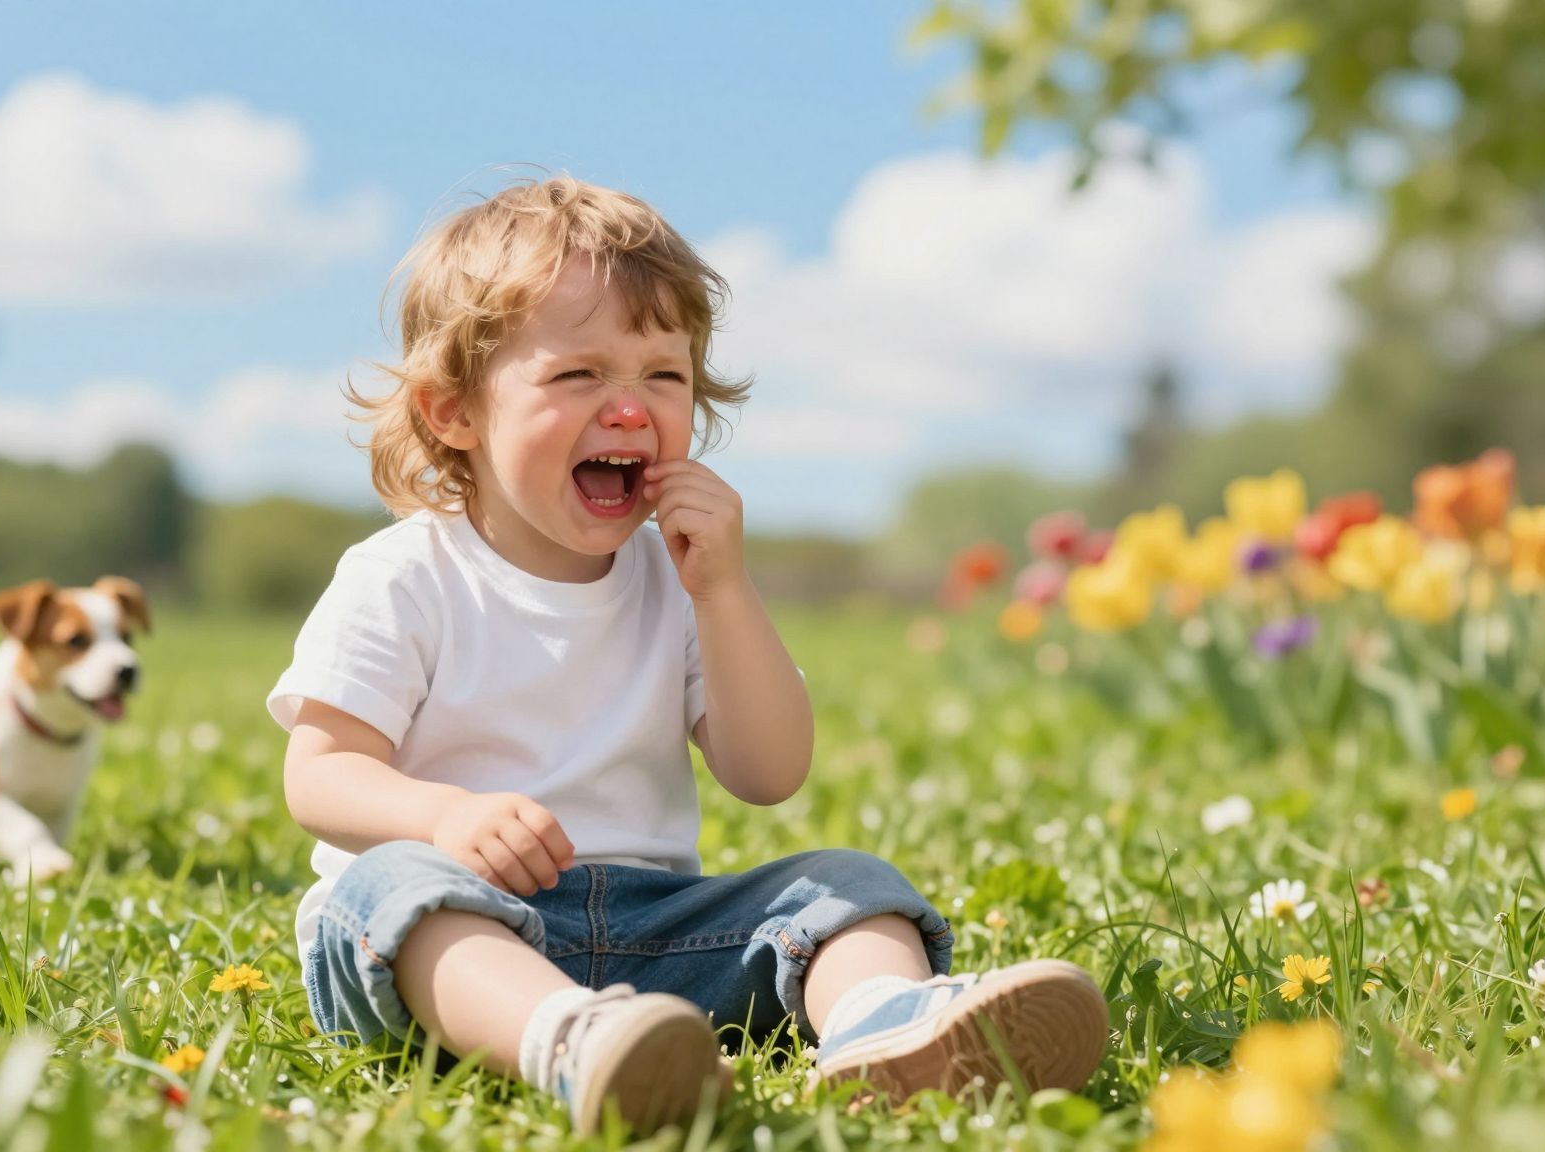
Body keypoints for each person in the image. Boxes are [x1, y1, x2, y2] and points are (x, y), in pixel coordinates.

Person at [267, 174, 1108, 1135]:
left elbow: (768, 771)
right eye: (579, 375)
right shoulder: (404, 576)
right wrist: (441, 815)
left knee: (850, 882)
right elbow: (321, 775)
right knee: (395, 890)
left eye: (663, 377)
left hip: (653, 932)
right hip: (443, 931)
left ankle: (883, 1031)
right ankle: (566, 1042)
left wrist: (724, 592)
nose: (630, 412)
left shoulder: (679, 580)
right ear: (453, 412)